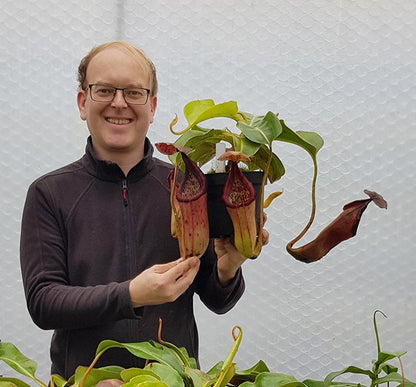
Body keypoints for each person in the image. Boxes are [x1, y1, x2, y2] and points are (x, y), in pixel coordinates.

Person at [20, 41, 268, 379]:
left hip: (170, 380)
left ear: (152, 107)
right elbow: (44, 302)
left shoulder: (184, 187)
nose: (119, 103)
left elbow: (216, 299)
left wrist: (228, 267)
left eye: (134, 92)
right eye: (104, 90)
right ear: (83, 102)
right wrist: (131, 295)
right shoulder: (50, 193)